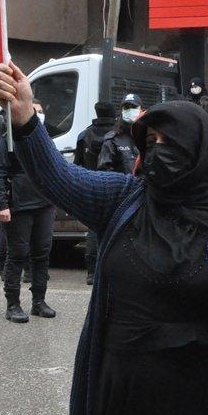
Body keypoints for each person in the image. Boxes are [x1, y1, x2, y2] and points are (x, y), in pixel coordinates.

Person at [0, 61, 208, 415]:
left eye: (171, 141)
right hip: (122, 388)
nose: (159, 151)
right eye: (151, 141)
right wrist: (27, 121)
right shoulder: (124, 198)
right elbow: (59, 178)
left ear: (198, 148)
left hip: (203, 396)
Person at [0, 102, 57, 323]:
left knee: (42, 254)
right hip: (19, 205)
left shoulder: (44, 138)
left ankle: (39, 301)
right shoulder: (7, 139)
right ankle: (13, 304)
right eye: (33, 111)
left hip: (44, 203)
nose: (37, 115)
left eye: (39, 111)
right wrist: (2, 204)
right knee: (17, 255)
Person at [74, 101, 117, 285]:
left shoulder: (85, 135)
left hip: (91, 185)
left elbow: (77, 164)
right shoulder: (118, 134)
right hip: (116, 185)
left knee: (93, 229)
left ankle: (92, 272)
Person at [98, 94, 142, 174]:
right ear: (122, 111)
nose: (130, 110)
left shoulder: (149, 136)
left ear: (141, 109)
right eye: (126, 107)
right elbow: (104, 171)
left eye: (134, 107)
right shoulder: (112, 139)